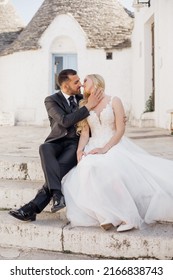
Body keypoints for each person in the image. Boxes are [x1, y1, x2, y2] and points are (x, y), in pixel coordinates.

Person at [62, 74, 173, 232]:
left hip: (113, 143)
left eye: (85, 80)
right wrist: (80, 150)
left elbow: (121, 129)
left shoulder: (114, 100)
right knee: (87, 167)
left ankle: (128, 217)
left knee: (110, 166)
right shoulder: (85, 105)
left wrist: (105, 148)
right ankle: (107, 215)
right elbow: (85, 133)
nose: (81, 84)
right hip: (93, 145)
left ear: (96, 80)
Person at [9, 69, 104, 222]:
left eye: (80, 81)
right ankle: (57, 194)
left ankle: (32, 208)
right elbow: (64, 121)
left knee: (57, 170)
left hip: (75, 143)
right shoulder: (51, 100)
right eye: (76, 82)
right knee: (43, 147)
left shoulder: (83, 98)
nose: (80, 85)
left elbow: (103, 107)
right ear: (65, 86)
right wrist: (87, 108)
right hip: (57, 141)